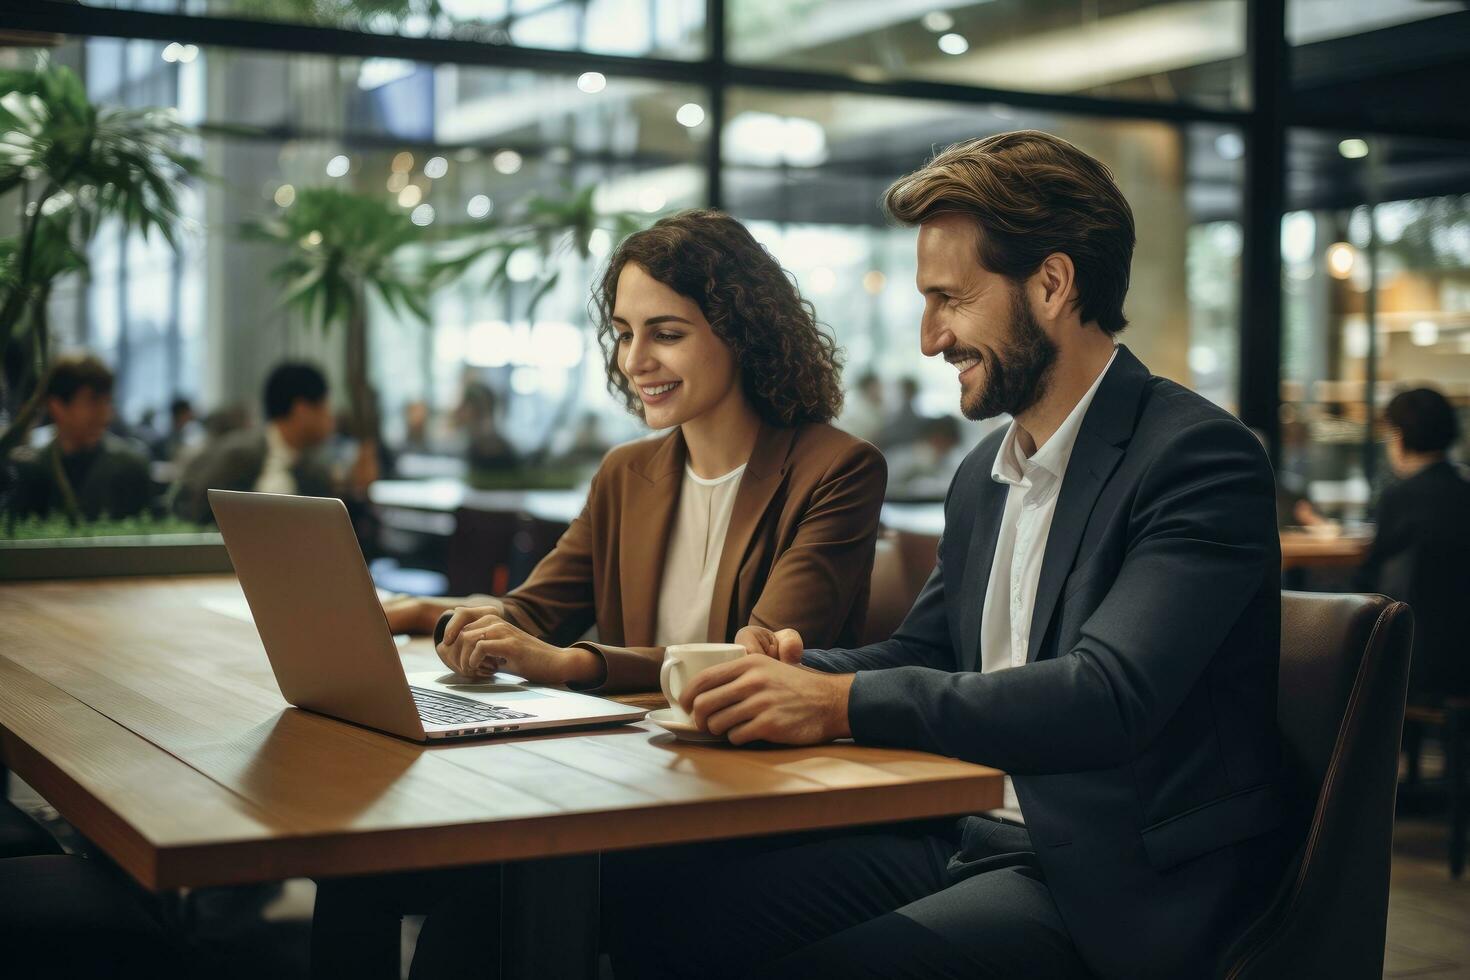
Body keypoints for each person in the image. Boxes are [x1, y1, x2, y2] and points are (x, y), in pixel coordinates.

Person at [612, 132, 1288, 980]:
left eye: (950, 300)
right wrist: (792, 668)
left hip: (1115, 882)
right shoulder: (984, 476)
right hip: (971, 837)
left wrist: (837, 702)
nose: (931, 339)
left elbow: (1109, 697)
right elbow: (926, 653)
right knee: (653, 915)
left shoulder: (1197, 457)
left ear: (1051, 284)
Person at [317, 209, 887, 978]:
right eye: (623, 331)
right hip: (616, 783)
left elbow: (752, 667)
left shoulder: (836, 470)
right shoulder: (629, 472)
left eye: (667, 332)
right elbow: (535, 607)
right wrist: (455, 621)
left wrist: (569, 667)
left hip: (737, 800)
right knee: (353, 868)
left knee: (471, 930)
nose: (634, 359)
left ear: (741, 330)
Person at [1356, 387, 1470, 701]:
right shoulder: (1464, 491)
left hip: (1416, 659)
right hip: (1462, 655)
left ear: (1399, 437)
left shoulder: (1400, 497)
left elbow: (1370, 576)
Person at [172, 362, 340, 524]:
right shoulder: (238, 455)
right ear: (301, 410)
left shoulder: (315, 470)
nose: (331, 419)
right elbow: (191, 510)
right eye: (325, 407)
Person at [7, 353, 153, 523]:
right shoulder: (27, 468)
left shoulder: (130, 468)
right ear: (57, 407)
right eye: (93, 401)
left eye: (107, 402)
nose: (105, 416)